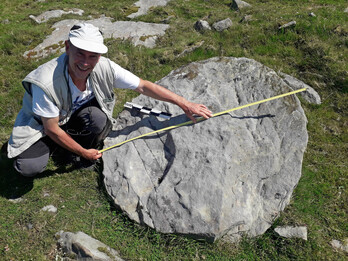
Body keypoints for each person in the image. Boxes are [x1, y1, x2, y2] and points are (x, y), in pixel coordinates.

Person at [6, 23, 212, 177]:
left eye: (93, 56)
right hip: (42, 126)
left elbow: (143, 86)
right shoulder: (46, 82)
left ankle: (68, 147)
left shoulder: (105, 66)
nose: (85, 63)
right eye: (80, 54)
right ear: (67, 47)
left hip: (69, 117)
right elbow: (51, 128)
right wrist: (84, 152)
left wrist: (184, 103)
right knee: (28, 168)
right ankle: (61, 147)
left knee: (98, 119)